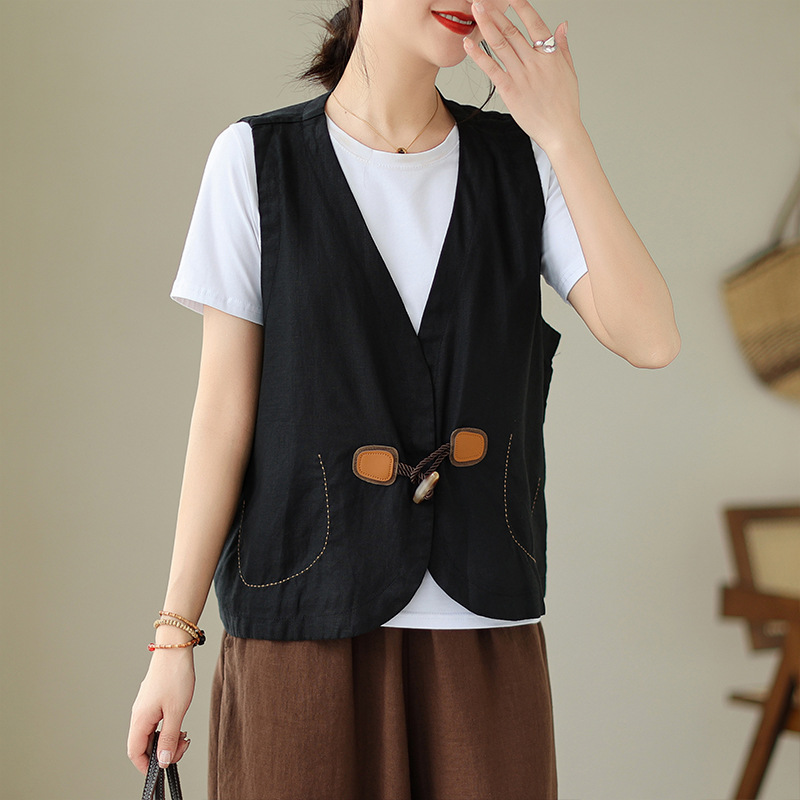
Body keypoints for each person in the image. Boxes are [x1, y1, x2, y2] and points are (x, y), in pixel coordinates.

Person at [127, 0, 680, 797]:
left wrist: (564, 132)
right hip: (300, 629)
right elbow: (222, 417)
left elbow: (651, 337)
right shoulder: (256, 160)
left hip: (481, 630)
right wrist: (174, 639)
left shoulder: (521, 161)